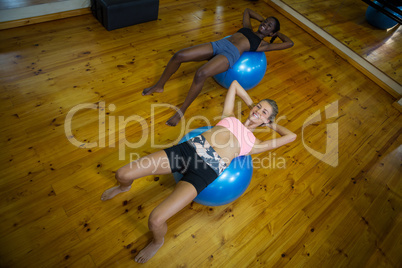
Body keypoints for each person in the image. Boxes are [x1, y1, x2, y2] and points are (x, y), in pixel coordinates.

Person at [102, 80, 297, 263]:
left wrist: (269, 122)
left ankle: (157, 242)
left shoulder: (256, 144)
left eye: (264, 112)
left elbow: (291, 136)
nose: (258, 111)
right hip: (186, 152)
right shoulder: (229, 116)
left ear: (267, 120)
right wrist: (252, 105)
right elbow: (235, 85)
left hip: (204, 172)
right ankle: (123, 188)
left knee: (156, 219)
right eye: (259, 107)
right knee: (122, 174)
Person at [142, 8, 294, 126]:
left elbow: (289, 43)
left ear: (272, 32)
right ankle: (159, 85)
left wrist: (277, 33)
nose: (265, 25)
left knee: (201, 73)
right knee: (179, 55)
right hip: (219, 44)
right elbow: (247, 11)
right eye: (265, 22)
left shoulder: (263, 45)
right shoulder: (247, 28)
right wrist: (264, 20)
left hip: (230, 55)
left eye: (269, 26)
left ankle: (181, 111)